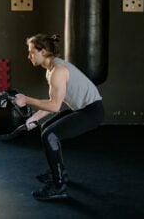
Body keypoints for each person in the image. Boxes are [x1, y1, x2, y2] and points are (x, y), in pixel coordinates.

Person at [14, 33, 104, 201]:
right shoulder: (51, 70)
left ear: (43, 51)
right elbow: (54, 102)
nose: (29, 56)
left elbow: (55, 106)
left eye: (31, 52)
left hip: (92, 112)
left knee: (50, 135)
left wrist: (26, 99)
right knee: (45, 128)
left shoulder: (58, 71)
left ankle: (58, 186)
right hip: (82, 108)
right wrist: (34, 119)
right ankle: (59, 172)